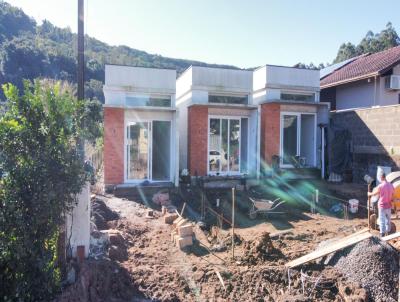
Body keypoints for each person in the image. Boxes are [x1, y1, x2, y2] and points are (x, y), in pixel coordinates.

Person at [368, 173, 394, 237]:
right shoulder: (391, 185)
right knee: (388, 220)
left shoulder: (380, 186)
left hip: (382, 205)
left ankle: (382, 234)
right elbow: (392, 195)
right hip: (389, 205)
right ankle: (388, 233)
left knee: (382, 220)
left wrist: (369, 193)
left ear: (382, 177)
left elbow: (374, 194)